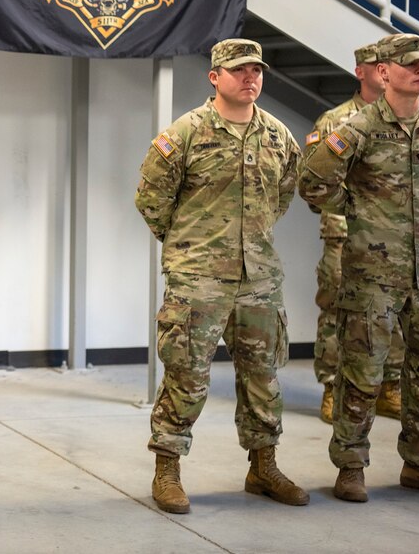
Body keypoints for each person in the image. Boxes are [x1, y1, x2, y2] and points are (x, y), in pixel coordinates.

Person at [135, 38, 308, 514]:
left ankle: (263, 466)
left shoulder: (278, 137)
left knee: (264, 376)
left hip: (260, 280)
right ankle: (167, 469)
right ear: (215, 77)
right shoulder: (184, 134)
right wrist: (191, 248)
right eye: (239, 71)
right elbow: (152, 201)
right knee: (187, 375)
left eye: (256, 71)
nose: (250, 78)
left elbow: (284, 195)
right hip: (199, 280)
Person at [298, 32, 419, 503]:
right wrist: (362, 207)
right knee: (362, 374)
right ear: (383, 72)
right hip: (372, 274)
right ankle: (350, 467)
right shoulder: (356, 128)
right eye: (411, 64)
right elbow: (312, 184)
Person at [304, 42, 404, 424]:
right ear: (359, 72)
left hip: (396, 240)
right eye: (373, 65)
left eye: (386, 64)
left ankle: (389, 387)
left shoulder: (404, 119)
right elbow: (314, 187)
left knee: (393, 314)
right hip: (345, 238)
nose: (381, 71)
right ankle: (332, 388)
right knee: (335, 312)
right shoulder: (335, 122)